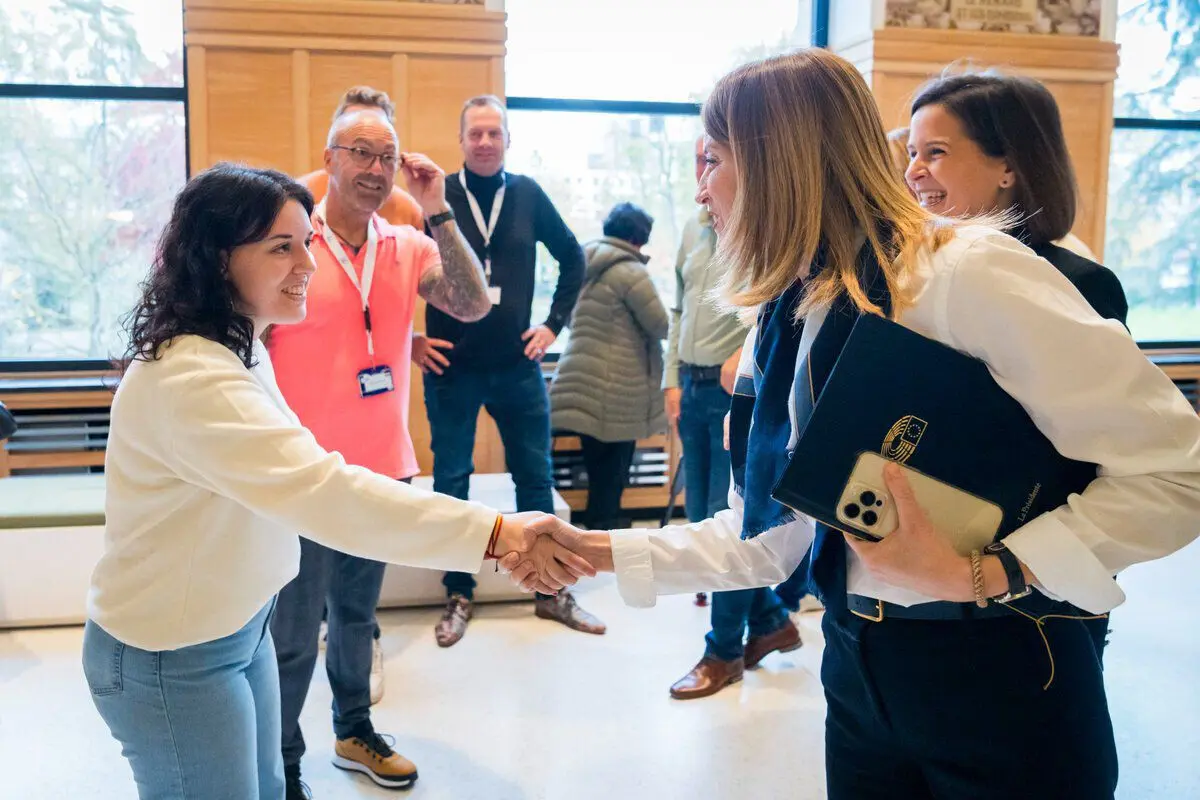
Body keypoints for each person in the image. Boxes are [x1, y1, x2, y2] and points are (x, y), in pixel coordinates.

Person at [508, 49, 1200, 800]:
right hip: (859, 668)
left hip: (1005, 671)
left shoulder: (965, 275)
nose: (700, 189)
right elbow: (769, 540)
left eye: (712, 160)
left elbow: (1176, 471)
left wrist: (991, 571)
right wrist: (596, 550)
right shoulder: (791, 313)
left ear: (781, 165)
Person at [81, 163, 591, 800]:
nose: (307, 264)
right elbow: (326, 493)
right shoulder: (193, 378)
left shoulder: (242, 346)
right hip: (172, 656)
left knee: (268, 788)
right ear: (215, 260)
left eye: (307, 244)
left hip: (238, 627)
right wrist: (497, 533)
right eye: (281, 248)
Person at [266, 88, 497, 797]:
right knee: (294, 636)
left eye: (388, 156)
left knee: (359, 619)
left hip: (380, 471)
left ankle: (353, 729)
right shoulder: (290, 246)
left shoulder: (409, 244)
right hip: (299, 477)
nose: (375, 167)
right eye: (360, 152)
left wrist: (439, 206)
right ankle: (283, 762)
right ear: (330, 159)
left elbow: (473, 303)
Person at [905, 72, 1130, 660]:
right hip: (929, 575)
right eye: (911, 153)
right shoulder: (914, 276)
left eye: (936, 153)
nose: (913, 172)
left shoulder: (1078, 282)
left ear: (1008, 166)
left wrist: (1013, 566)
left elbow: (1100, 455)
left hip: (1029, 581)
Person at [425, 94, 604, 647]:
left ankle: (550, 591)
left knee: (535, 478)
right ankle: (458, 592)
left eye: (493, 134)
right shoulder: (438, 196)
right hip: (451, 366)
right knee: (452, 481)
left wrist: (553, 324)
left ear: (507, 141)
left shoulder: (526, 193)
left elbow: (573, 256)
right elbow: (395, 260)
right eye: (474, 133)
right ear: (460, 141)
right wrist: (407, 341)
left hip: (517, 366)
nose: (484, 142)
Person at [664, 136, 800, 700]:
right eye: (700, 159)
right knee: (705, 515)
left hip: (735, 390)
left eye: (714, 158)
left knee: (736, 519)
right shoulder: (697, 230)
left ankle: (723, 651)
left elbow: (776, 308)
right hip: (693, 388)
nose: (703, 171)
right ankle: (770, 621)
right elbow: (678, 310)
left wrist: (744, 356)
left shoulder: (759, 230)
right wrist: (673, 378)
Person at [550, 202, 669, 531]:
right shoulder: (630, 271)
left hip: (577, 379)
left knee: (596, 468)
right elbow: (660, 325)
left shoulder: (581, 265)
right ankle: (602, 543)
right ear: (638, 237)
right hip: (617, 386)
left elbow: (571, 318)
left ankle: (597, 534)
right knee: (612, 472)